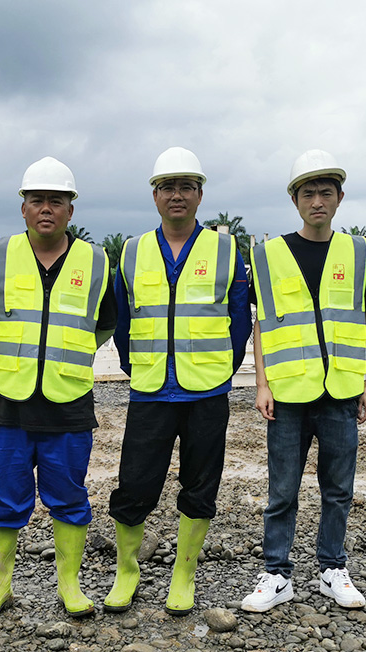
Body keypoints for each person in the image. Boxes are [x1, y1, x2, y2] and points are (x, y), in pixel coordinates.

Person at [0, 157, 117, 620]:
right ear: (23, 207)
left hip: (68, 405)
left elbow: (105, 324)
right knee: (3, 497)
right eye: (37, 200)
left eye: (56, 200)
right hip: (8, 403)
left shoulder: (96, 261)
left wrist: (64, 354)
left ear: (71, 209)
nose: (46, 208)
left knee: (69, 497)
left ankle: (69, 585)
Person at [105, 147, 251, 616]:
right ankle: (127, 571)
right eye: (167, 187)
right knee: (134, 484)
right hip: (150, 389)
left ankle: (183, 575)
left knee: (200, 484)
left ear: (200, 194)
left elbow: (239, 320)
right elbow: (123, 319)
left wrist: (222, 368)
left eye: (186, 186)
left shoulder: (225, 250)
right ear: (155, 195)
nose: (177, 195)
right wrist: (135, 365)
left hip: (207, 389)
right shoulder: (132, 251)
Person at [241, 150, 366, 613]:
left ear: (340, 198)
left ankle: (332, 568)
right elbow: (262, 323)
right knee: (282, 490)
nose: (317, 201)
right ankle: (276, 574)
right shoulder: (268, 256)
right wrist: (261, 385)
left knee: (338, 489)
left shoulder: (359, 251)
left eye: (326, 192)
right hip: (287, 394)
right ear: (295, 200)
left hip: (341, 392)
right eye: (308, 193)